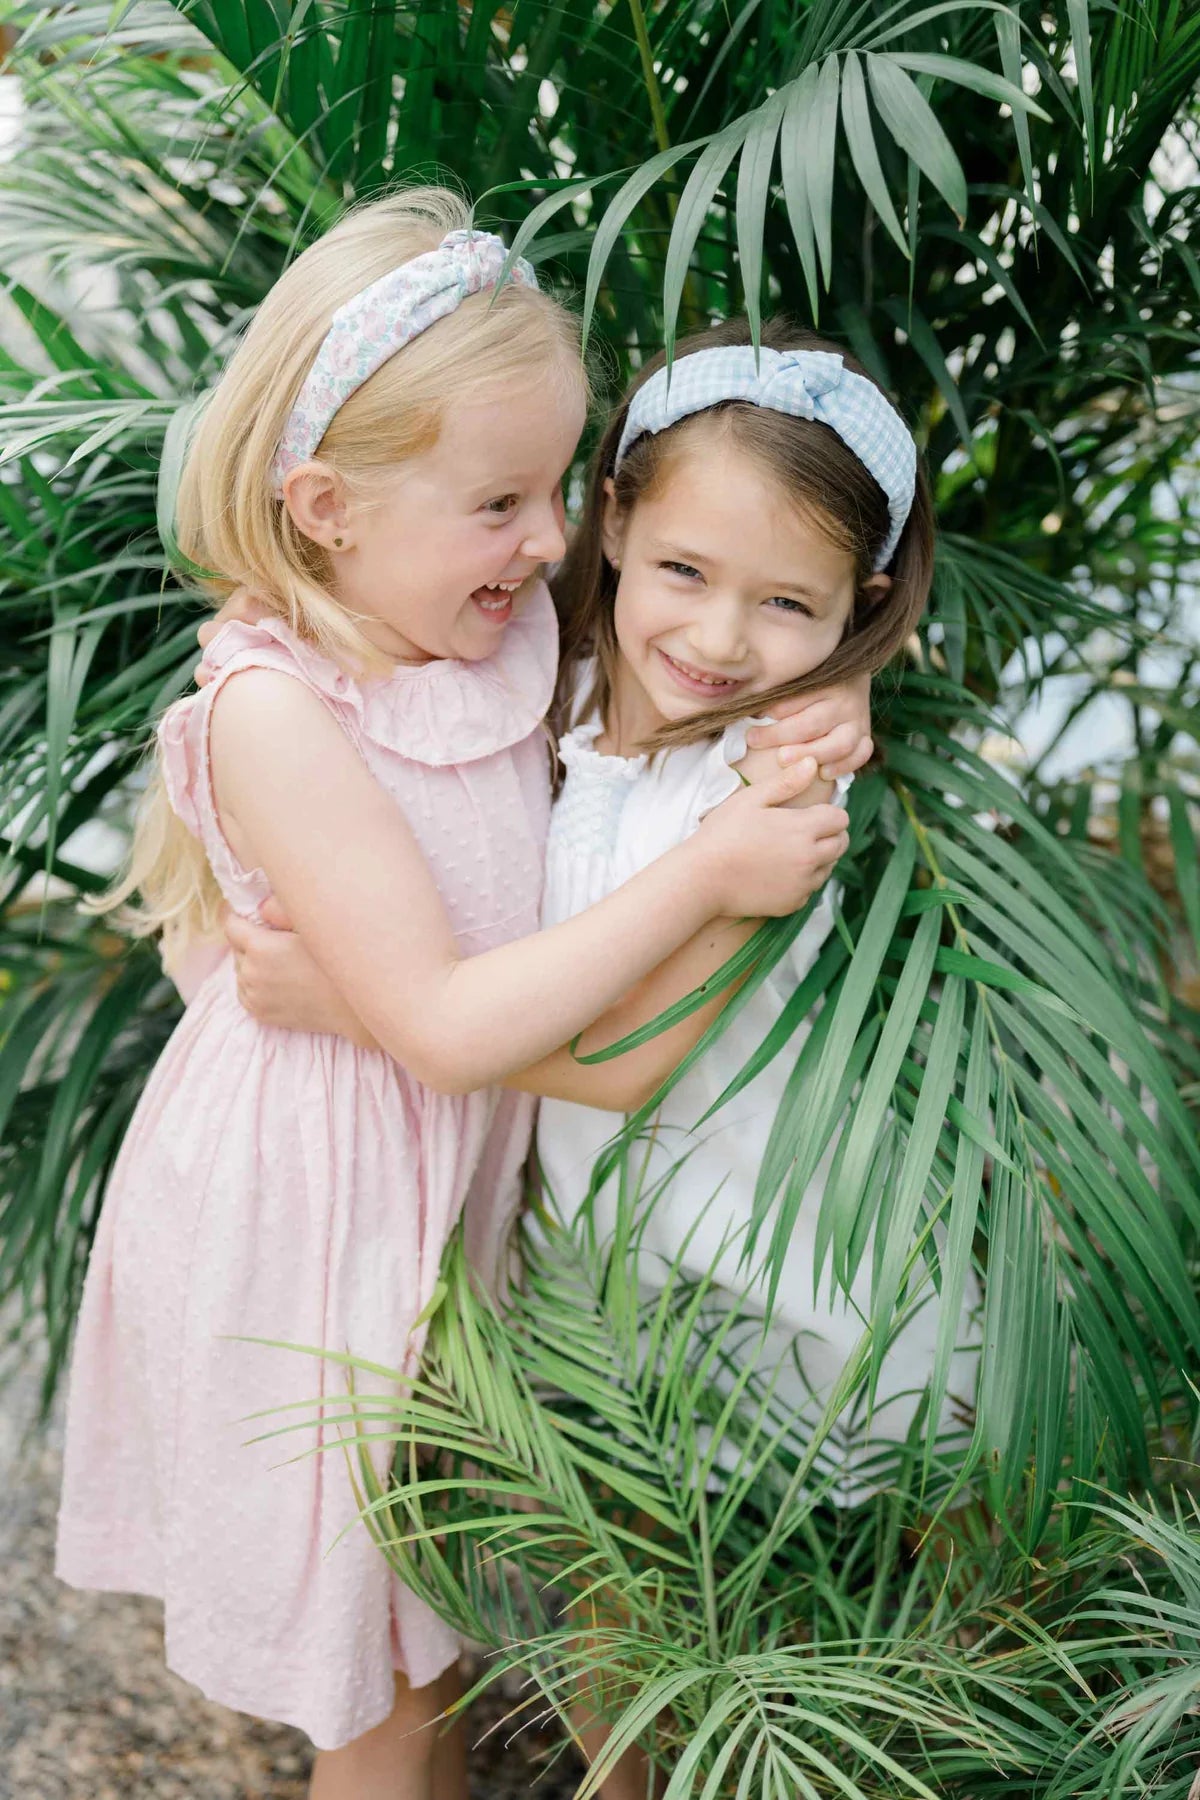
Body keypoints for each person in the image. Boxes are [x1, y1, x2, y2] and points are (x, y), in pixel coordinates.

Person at [53, 192, 856, 1800]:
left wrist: (835, 701)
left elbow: (723, 630)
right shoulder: (279, 711)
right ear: (327, 507)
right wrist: (711, 870)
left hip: (440, 1176)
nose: (553, 540)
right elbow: (436, 1021)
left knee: (442, 1619)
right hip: (316, 1207)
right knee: (377, 1674)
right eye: (501, 500)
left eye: (557, 489)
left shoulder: (487, 625)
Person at [221, 315, 980, 1796]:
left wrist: (356, 1002)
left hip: (763, 1258)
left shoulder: (769, 799)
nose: (719, 640)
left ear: (864, 603)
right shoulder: (543, 684)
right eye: (686, 571)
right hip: (591, 1259)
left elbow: (630, 1061)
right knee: (610, 1600)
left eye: (788, 604)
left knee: (780, 1623)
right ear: (614, 519)